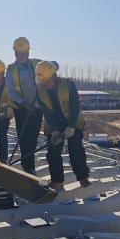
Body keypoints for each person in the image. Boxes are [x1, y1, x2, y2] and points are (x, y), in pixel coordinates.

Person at [35, 61, 90, 190]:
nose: (46, 83)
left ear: (54, 75)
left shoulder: (68, 85)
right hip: (54, 123)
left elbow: (75, 107)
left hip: (73, 121)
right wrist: (54, 131)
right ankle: (57, 181)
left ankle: (83, 177)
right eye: (44, 81)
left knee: (75, 149)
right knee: (53, 152)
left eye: (48, 80)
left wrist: (70, 127)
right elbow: (47, 113)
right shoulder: (40, 90)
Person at [6, 37, 44, 174]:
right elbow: (11, 91)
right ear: (15, 53)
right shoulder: (11, 69)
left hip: (37, 108)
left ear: (28, 52)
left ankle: (29, 164)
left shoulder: (37, 63)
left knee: (33, 138)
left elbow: (53, 67)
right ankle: (28, 166)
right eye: (18, 53)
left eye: (23, 53)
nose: (21, 55)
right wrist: (24, 103)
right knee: (23, 139)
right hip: (21, 109)